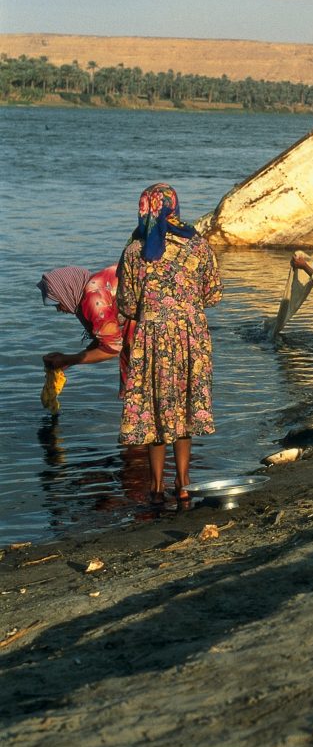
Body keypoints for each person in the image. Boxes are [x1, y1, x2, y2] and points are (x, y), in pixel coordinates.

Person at [116, 183, 222, 508]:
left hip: (152, 338)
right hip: (192, 337)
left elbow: (126, 303)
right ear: (175, 206)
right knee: (184, 409)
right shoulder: (199, 246)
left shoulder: (135, 251)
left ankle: (157, 487)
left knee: (154, 412)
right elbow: (214, 294)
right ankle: (185, 485)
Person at [38, 264, 130, 390]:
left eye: (58, 303)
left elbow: (112, 348)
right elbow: (104, 340)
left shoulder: (94, 298)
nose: (59, 309)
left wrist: (68, 359)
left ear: (68, 292)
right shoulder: (98, 283)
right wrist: (67, 361)